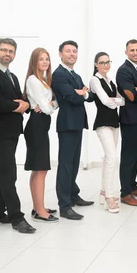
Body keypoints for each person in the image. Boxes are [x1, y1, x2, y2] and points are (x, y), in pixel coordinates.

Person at [0, 38, 35, 234]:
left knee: (0, 173)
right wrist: (19, 105)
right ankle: (17, 218)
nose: (7, 54)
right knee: (8, 174)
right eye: (3, 50)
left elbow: (18, 97)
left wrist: (25, 104)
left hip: (11, 131)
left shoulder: (12, 76)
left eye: (11, 51)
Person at [52, 40, 95, 220]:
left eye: (74, 51)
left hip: (77, 123)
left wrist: (82, 93)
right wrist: (79, 93)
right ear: (60, 54)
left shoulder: (75, 75)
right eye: (68, 51)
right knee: (65, 164)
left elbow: (89, 97)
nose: (72, 54)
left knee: (74, 162)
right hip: (67, 123)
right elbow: (70, 97)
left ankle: (72, 194)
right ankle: (64, 205)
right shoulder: (59, 74)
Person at [23, 47, 59, 223]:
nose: (45, 62)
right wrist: (47, 105)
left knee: (39, 169)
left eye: (47, 59)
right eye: (41, 59)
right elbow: (46, 108)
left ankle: (38, 206)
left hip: (42, 125)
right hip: (36, 125)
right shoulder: (33, 80)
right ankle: (40, 211)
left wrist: (49, 103)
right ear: (34, 62)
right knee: (41, 169)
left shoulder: (43, 80)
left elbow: (54, 103)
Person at [90, 52, 125, 213]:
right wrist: (115, 101)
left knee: (107, 158)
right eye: (102, 62)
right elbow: (105, 101)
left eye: (107, 62)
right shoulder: (94, 80)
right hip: (103, 123)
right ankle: (110, 197)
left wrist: (114, 101)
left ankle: (104, 191)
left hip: (114, 123)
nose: (105, 65)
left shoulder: (110, 81)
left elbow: (122, 101)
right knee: (112, 157)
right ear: (96, 64)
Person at [116, 39, 137, 207]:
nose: (135, 52)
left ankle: (132, 186)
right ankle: (125, 193)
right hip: (129, 119)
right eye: (132, 50)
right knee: (128, 155)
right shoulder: (123, 71)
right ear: (126, 52)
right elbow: (131, 95)